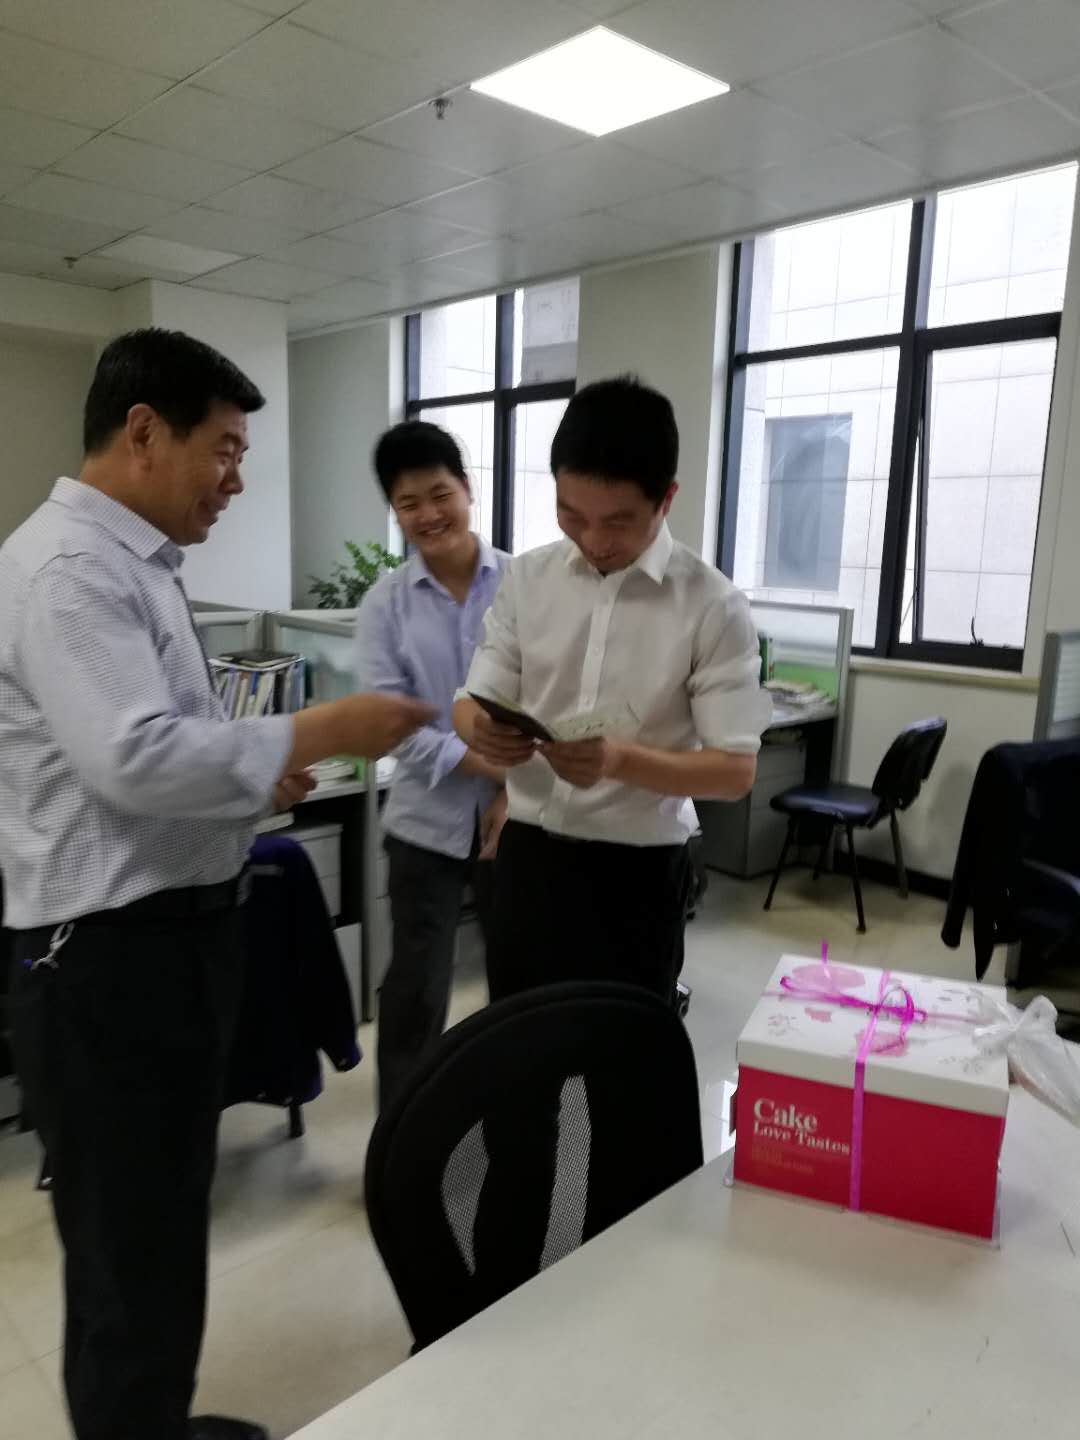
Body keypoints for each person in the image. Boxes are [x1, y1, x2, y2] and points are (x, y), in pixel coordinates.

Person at [0, 329, 431, 1440]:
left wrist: (253, 785)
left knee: (157, 1231)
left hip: (163, 946)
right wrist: (324, 726)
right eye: (227, 449)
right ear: (144, 431)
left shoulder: (134, 565)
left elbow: (150, 761)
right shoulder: (69, 570)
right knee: (126, 1259)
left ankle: (158, 1425)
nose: (238, 478)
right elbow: (132, 758)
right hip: (107, 964)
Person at [453, 376, 769, 1292]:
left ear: (667, 498)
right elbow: (475, 696)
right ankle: (507, 1283)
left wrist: (623, 761)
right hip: (531, 862)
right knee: (519, 1080)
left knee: (625, 1089)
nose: (593, 540)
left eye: (618, 521)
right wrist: (481, 729)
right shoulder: (527, 579)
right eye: (571, 515)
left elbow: (734, 769)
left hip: (637, 875)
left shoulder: (711, 604)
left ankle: (624, 1286)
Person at [355, 420, 509, 1108]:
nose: (428, 514)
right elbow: (391, 722)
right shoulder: (384, 605)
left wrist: (512, 789)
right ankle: (403, 1139)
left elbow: (552, 698)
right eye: (408, 503)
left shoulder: (523, 585)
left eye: (440, 494)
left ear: (468, 489)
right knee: (416, 991)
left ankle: (515, 1120)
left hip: (521, 819)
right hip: (424, 825)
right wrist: (483, 764)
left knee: (521, 981)